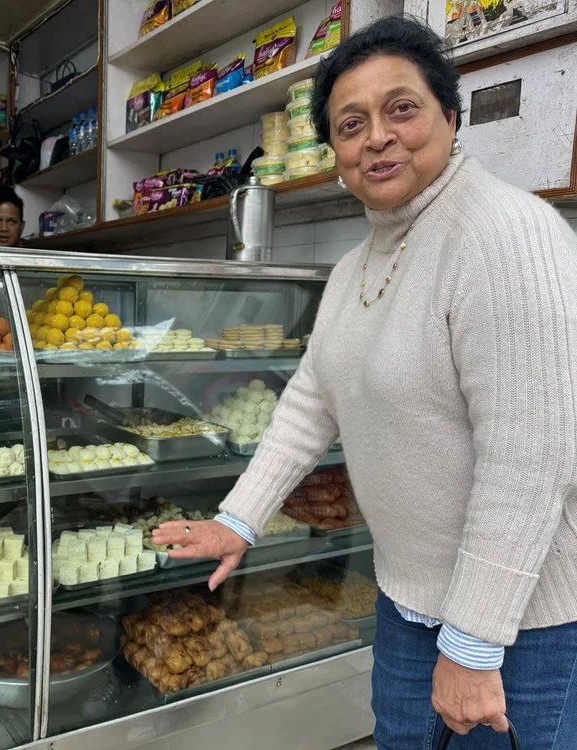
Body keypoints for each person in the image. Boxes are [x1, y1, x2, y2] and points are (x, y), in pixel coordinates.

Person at [153, 15, 577, 749]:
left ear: (450, 115)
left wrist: (473, 645)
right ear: (336, 151)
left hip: (520, 623)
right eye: (351, 123)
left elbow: (531, 460)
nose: (376, 136)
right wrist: (239, 520)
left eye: (401, 109)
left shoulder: (509, 234)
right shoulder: (358, 265)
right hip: (408, 604)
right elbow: (311, 400)